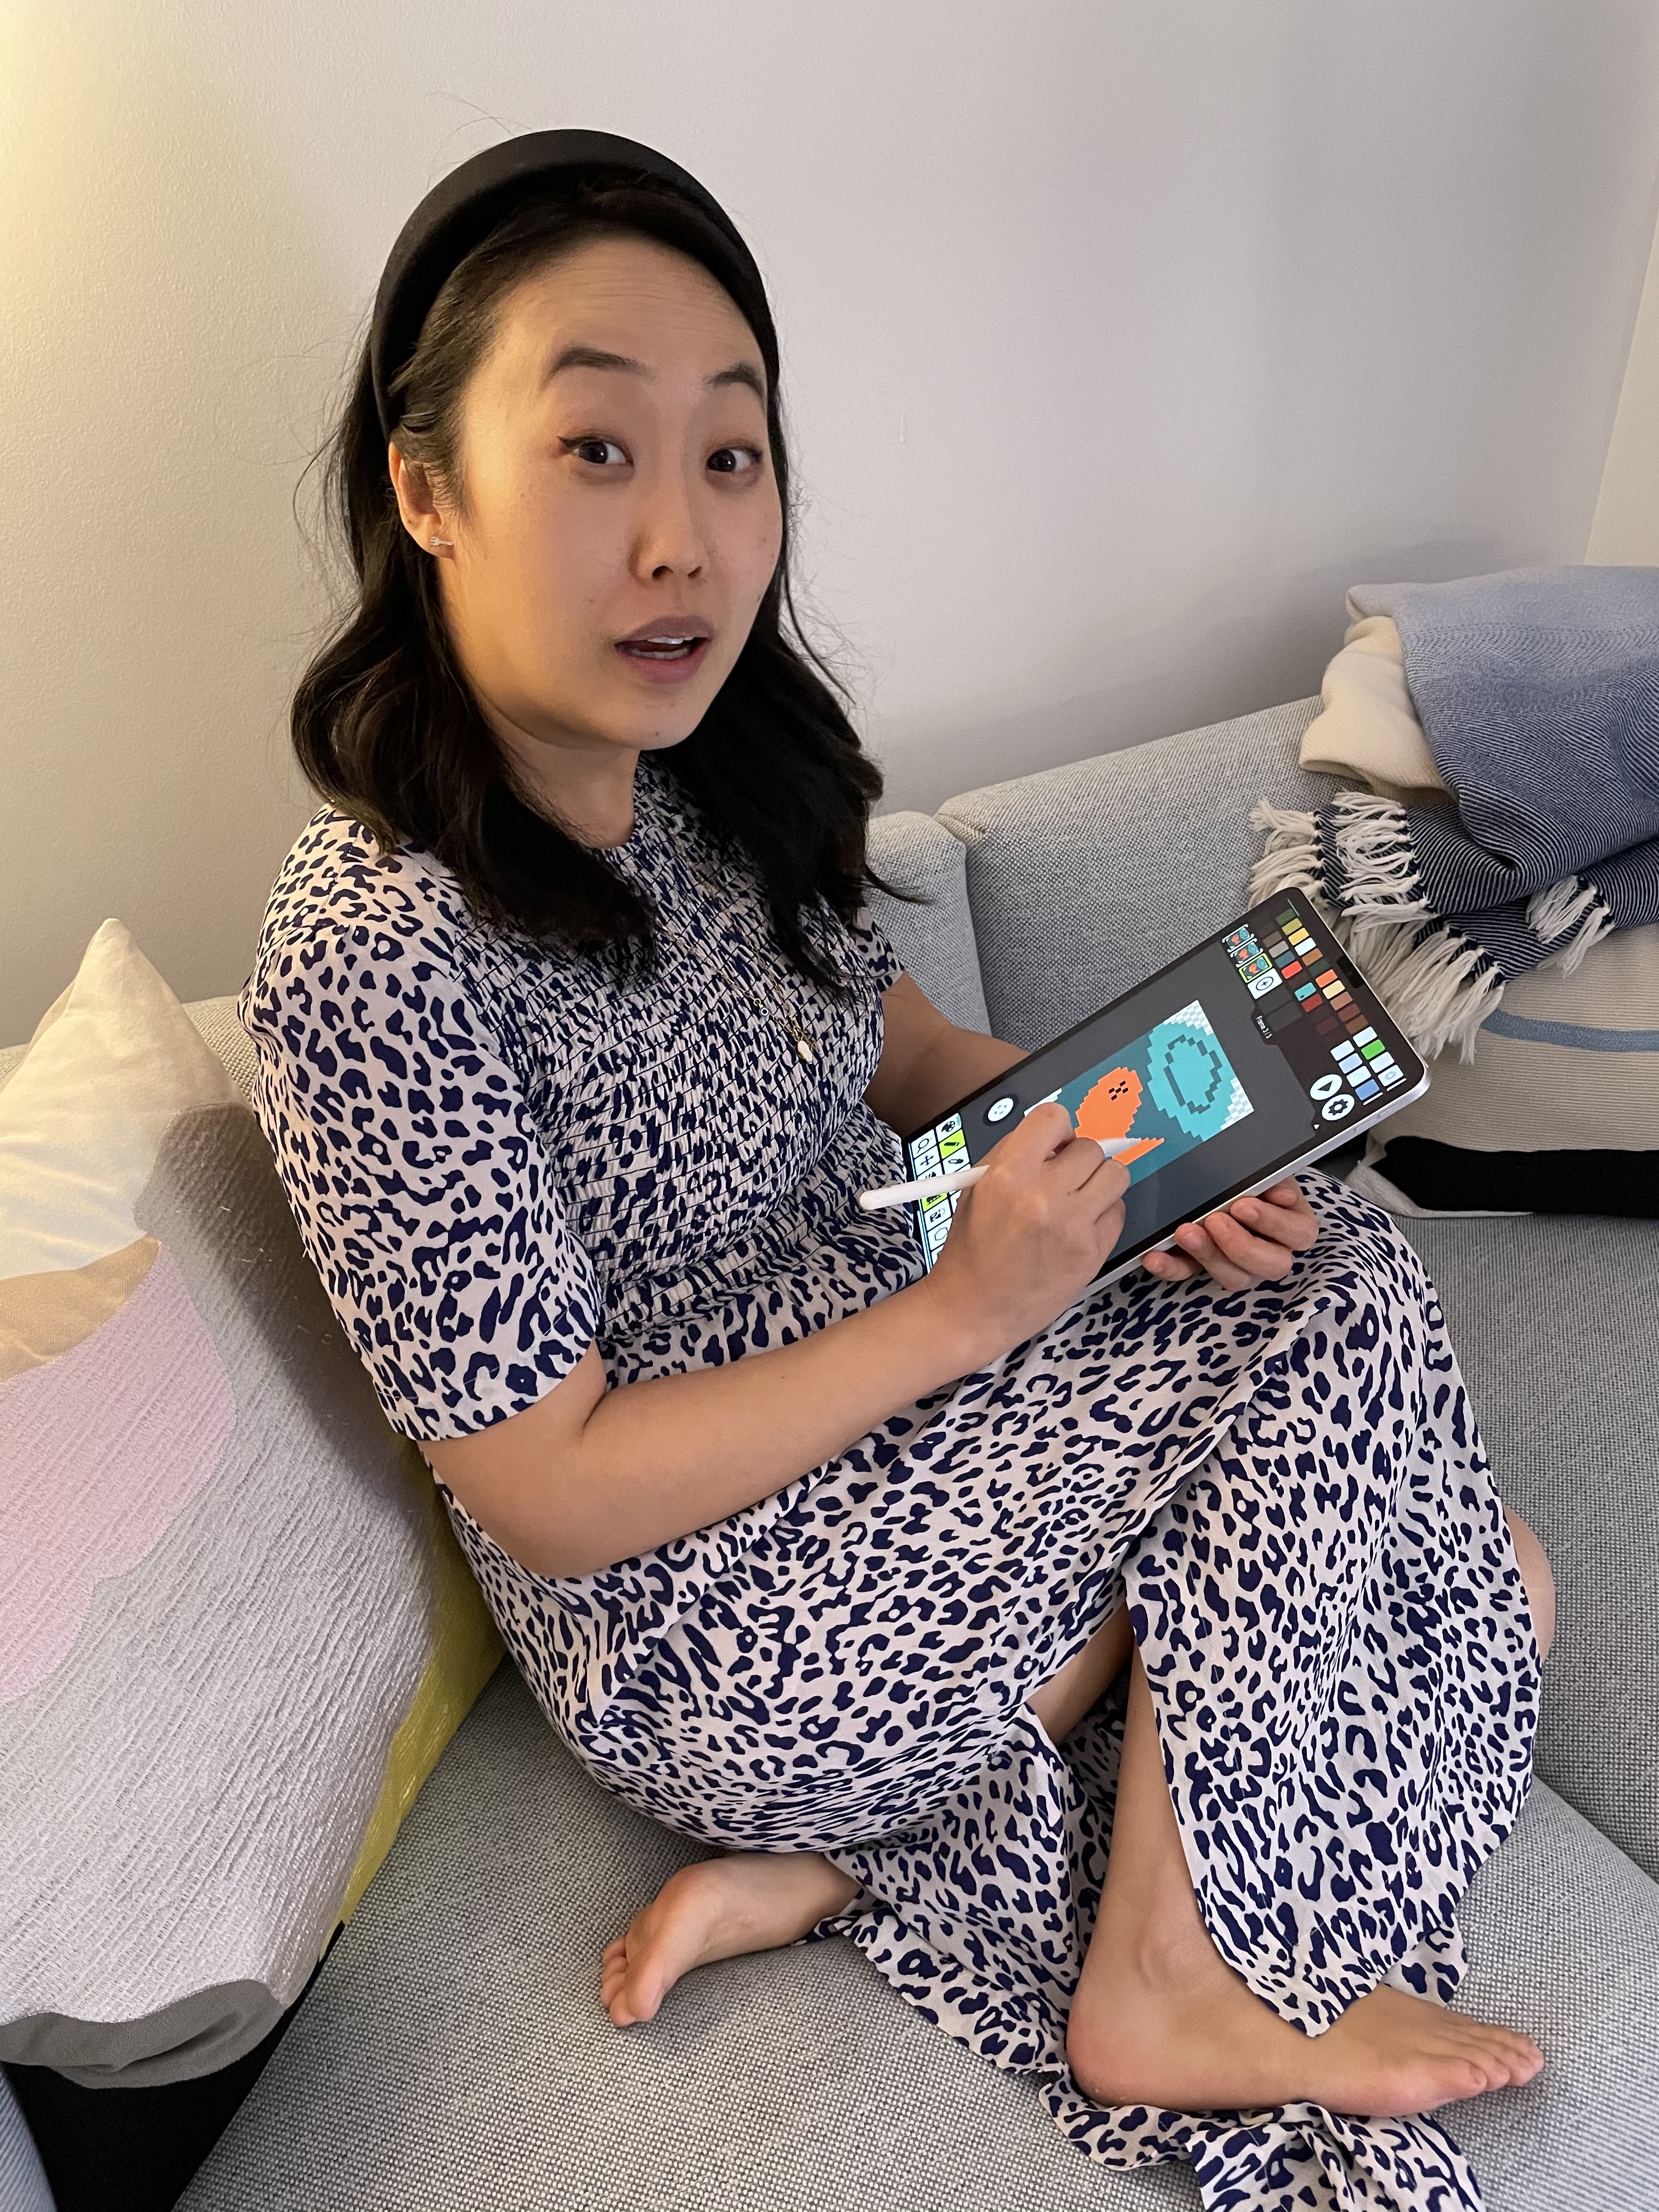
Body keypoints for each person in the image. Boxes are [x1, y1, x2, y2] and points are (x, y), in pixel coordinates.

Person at [242, 131, 1554, 2209]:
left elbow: (913, 1054)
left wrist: (1142, 1139)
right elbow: (550, 1485)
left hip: (896, 1394)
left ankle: (873, 1854)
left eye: (732, 456)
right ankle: (1165, 1973)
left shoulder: (704, 788)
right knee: (1350, 1320)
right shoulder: (369, 950)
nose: (682, 540)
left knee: (1484, 1557)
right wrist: (971, 1308)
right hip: (705, 1605)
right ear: (427, 491)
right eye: (595, 450)